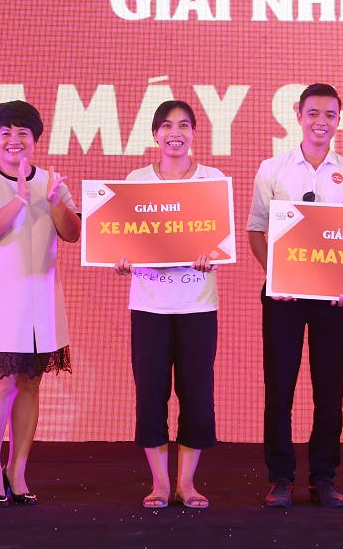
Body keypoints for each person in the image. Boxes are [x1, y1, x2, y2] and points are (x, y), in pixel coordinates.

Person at [0, 100, 80, 507]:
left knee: (30, 384)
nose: (14, 140)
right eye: (6, 133)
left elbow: (72, 233)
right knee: (0, 383)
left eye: (22, 133)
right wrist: (19, 200)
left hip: (41, 300)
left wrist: (57, 200)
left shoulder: (50, 180)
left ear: (35, 139)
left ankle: (18, 469)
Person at [247, 83, 343, 509]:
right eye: (313, 113)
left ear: (338, 119)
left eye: (330, 115)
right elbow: (256, 230)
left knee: (329, 390)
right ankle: (280, 478)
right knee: (279, 388)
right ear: (297, 115)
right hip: (284, 298)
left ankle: (323, 477)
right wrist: (276, 277)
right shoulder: (272, 169)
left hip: (332, 299)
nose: (321, 122)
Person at [114, 101, 222, 510]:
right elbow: (123, 239)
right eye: (166, 126)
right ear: (155, 134)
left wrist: (213, 254)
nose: (175, 133)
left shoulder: (212, 181)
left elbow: (221, 242)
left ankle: (187, 484)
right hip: (150, 307)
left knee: (197, 394)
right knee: (150, 394)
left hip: (197, 306)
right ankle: (160, 484)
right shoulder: (136, 181)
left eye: (183, 125)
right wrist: (121, 258)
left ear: (194, 133)